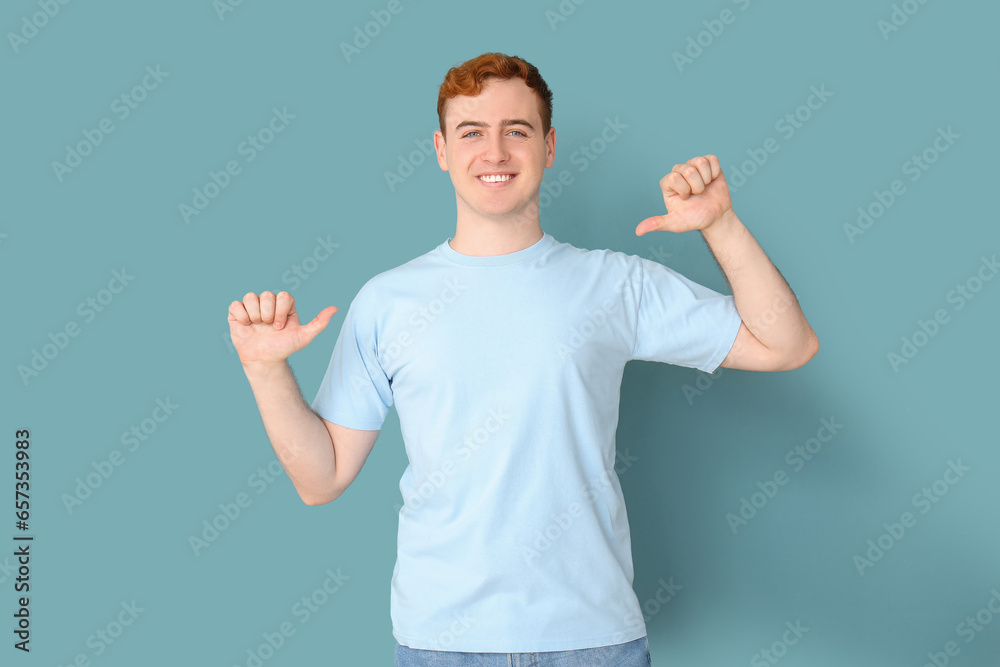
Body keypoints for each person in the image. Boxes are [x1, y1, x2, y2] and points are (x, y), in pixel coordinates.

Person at [227, 52, 818, 667]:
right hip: (441, 643)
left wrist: (719, 224)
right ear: (440, 149)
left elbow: (786, 343)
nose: (495, 152)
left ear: (549, 145)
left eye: (517, 130)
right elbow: (320, 479)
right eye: (472, 132)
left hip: (593, 640)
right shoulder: (387, 300)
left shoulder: (612, 285)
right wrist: (265, 369)